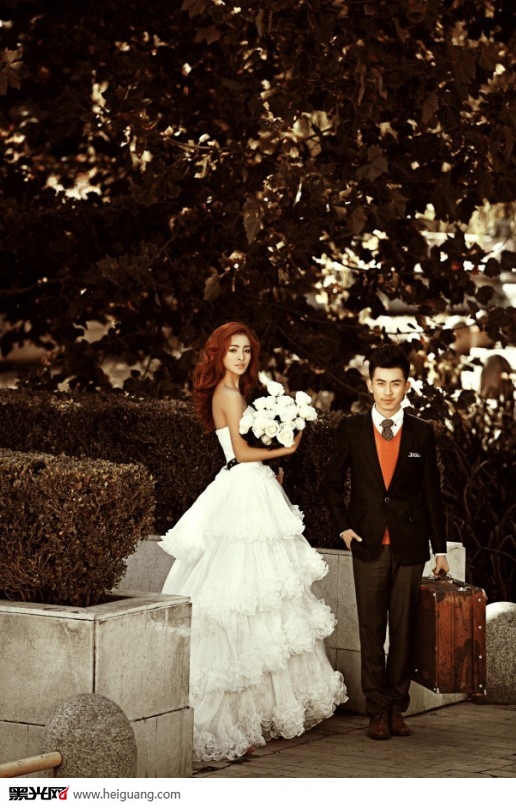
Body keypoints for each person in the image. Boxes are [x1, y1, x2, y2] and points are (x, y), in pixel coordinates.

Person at [160, 322, 347, 762]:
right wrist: (285, 448)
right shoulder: (227, 394)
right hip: (243, 484)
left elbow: (245, 449)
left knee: (265, 596)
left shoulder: (236, 392)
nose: (241, 357)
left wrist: (271, 449)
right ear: (218, 354)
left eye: (246, 350)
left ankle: (258, 711)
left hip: (249, 484)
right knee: (245, 594)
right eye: (233, 350)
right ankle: (230, 717)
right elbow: (241, 453)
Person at [323, 344, 448, 740]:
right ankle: (377, 709)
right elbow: (330, 484)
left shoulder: (422, 432)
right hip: (368, 544)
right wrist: (344, 529)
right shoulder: (352, 429)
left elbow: (431, 494)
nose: (388, 391)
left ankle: (397, 706)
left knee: (406, 631)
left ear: (407, 385)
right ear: (370, 384)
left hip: (410, 546)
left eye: (396, 383)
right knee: (372, 630)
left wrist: (440, 549)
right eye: (381, 383)